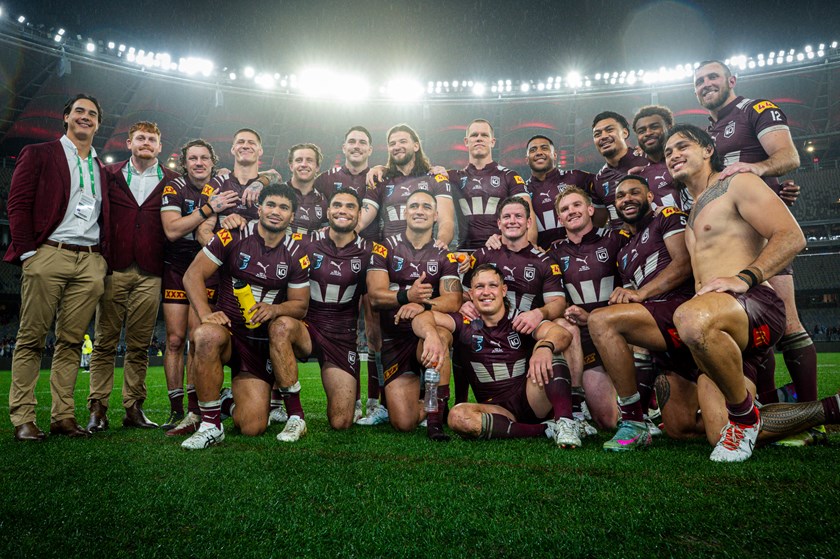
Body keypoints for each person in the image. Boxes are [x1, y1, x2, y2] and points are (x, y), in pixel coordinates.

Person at [664, 124, 840, 462]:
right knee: (718, 433)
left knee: (688, 316)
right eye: (668, 152)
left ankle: (745, 418)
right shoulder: (692, 211)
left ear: (707, 150)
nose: (673, 155)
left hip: (751, 304)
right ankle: (829, 409)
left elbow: (791, 235)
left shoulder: (737, 183)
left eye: (682, 146)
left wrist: (747, 276)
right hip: (716, 330)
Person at [694, 60, 817, 408]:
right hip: (726, 234)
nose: (706, 84)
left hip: (760, 230)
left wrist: (759, 169)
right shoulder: (707, 132)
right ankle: (768, 409)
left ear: (732, 80)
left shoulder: (755, 109)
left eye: (712, 77)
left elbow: (789, 155)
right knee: (754, 333)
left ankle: (811, 414)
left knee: (788, 323)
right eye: (699, 81)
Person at [6, 93, 110, 441]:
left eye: (92, 113)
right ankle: (23, 417)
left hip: (90, 259)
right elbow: (18, 203)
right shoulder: (39, 153)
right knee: (31, 338)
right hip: (49, 253)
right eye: (79, 111)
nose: (85, 117)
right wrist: (26, 254)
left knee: (70, 342)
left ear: (98, 123)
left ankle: (62, 416)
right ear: (65, 117)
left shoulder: (101, 167)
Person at [180, 183, 310, 449]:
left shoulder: (296, 252)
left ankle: (227, 401)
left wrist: (275, 309)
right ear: (259, 208)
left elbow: (300, 305)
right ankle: (210, 425)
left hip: (260, 345)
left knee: (252, 426)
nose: (276, 212)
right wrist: (206, 314)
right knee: (204, 335)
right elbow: (192, 275)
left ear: (292, 216)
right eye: (271, 205)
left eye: (284, 208)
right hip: (228, 333)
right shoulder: (233, 235)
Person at [411, 264, 579, 447]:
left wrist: (544, 347)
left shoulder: (519, 319)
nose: (486, 292)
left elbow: (563, 334)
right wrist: (431, 335)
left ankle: (566, 422)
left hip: (532, 399)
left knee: (550, 350)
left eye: (492, 285)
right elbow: (422, 318)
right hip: (497, 409)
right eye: (479, 287)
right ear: (471, 293)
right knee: (457, 417)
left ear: (504, 290)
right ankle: (546, 430)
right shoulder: (464, 322)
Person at [588, 175, 694, 451]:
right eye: (621, 196)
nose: (627, 199)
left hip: (684, 309)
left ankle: (633, 421)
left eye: (634, 193)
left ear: (650, 197)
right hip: (660, 328)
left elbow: (684, 264)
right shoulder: (623, 253)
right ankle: (647, 416)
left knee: (600, 320)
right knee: (680, 428)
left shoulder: (667, 217)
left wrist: (641, 294)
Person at [85, 121, 179, 432]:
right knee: (104, 343)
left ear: (160, 146)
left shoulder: (172, 181)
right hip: (115, 266)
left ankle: (133, 407)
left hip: (151, 270)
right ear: (129, 143)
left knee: (139, 345)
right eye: (140, 138)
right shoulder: (109, 175)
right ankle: (97, 408)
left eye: (152, 138)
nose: (146, 142)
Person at [270, 190, 373, 429]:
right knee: (281, 327)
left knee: (341, 422)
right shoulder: (303, 243)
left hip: (341, 336)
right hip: (306, 326)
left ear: (359, 214)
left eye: (350, 207)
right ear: (328, 212)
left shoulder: (370, 251)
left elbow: (374, 297)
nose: (343, 211)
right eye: (337, 205)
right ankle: (295, 416)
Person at [366, 190, 462, 440]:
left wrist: (422, 306)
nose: (420, 210)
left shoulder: (444, 254)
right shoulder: (385, 248)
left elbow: (453, 300)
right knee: (403, 422)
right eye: (414, 206)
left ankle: (436, 419)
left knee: (438, 335)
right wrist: (407, 297)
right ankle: (428, 404)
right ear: (405, 212)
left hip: (426, 334)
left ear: (436, 216)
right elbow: (376, 296)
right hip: (394, 339)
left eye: (427, 207)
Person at [159, 139, 239, 432]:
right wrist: (208, 210)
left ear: (212, 161)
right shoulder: (175, 187)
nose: (199, 163)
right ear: (185, 162)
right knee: (175, 340)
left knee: (197, 337)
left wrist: (265, 178)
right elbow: (172, 230)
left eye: (204, 158)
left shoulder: (223, 182)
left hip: (210, 270)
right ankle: (176, 408)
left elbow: (268, 174)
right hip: (177, 266)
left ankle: (195, 409)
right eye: (193, 158)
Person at [458, 197, 565, 403]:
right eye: (506, 217)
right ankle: (458, 402)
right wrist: (465, 302)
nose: (512, 221)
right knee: (458, 323)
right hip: (488, 330)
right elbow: (463, 293)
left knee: (562, 331)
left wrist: (538, 313)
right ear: (499, 224)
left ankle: (572, 408)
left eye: (518, 216)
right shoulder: (482, 255)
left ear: (528, 222)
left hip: (526, 331)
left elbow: (559, 303)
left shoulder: (544, 260)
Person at [314, 126, 384, 423]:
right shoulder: (327, 178)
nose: (357, 146)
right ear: (343, 147)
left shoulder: (381, 174)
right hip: (335, 256)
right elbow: (296, 186)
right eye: (352, 141)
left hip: (370, 257)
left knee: (374, 334)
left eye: (363, 143)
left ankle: (375, 400)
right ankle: (353, 400)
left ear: (370, 149)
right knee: (346, 331)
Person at [552, 187, 627, 431]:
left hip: (619, 332)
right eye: (564, 209)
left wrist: (594, 316)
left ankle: (646, 405)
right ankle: (579, 402)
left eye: (576, 205)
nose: (571, 211)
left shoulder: (616, 239)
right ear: (559, 218)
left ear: (590, 209)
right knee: (607, 421)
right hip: (584, 341)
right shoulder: (553, 252)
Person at [437, 119, 534, 249]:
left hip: (499, 251)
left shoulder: (510, 176)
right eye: (474, 135)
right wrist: (435, 171)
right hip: (465, 254)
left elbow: (528, 217)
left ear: (492, 142)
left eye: (484, 135)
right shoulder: (452, 177)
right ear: (466, 142)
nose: (479, 139)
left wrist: (529, 250)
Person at [358, 124, 455, 247]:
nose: (397, 147)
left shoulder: (436, 178)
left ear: (416, 146)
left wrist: (441, 244)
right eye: (392, 144)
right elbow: (362, 221)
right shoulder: (380, 179)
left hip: (423, 254)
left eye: (402, 142)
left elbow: (446, 221)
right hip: (389, 256)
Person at [522, 135, 594, 250]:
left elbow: (606, 190)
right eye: (533, 150)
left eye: (544, 148)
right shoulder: (522, 191)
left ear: (554, 155)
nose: (539, 152)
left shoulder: (576, 177)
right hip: (544, 259)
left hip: (581, 252)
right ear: (527, 159)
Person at [590, 112, 651, 230]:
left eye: (609, 130)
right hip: (622, 245)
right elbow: (598, 224)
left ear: (625, 133)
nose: (603, 136)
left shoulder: (646, 159)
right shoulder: (599, 179)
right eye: (597, 134)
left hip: (654, 238)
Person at [631, 105, 685, 210]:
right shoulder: (638, 175)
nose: (648, 133)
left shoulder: (686, 161)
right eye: (641, 131)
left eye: (654, 127)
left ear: (669, 127)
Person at [283, 143, 328, 235]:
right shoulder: (276, 193)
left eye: (309, 160)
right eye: (299, 160)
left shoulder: (323, 201)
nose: (304, 164)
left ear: (317, 167)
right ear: (291, 166)